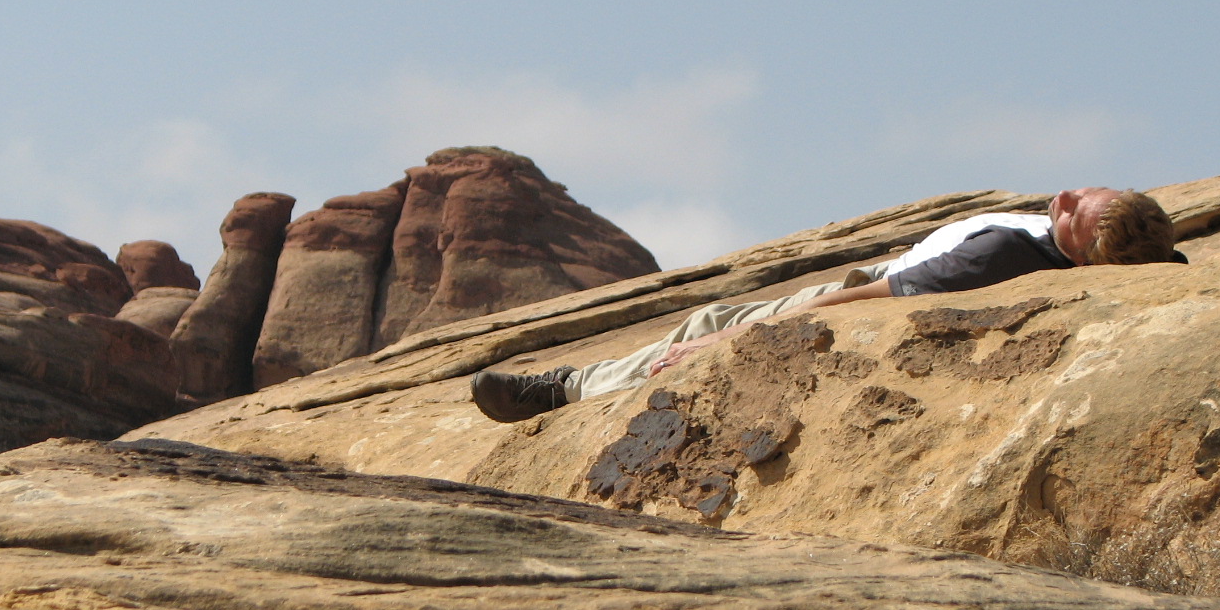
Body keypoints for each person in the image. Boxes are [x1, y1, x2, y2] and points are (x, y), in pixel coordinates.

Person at [471, 186, 1180, 423]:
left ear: (1082, 249)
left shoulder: (997, 260)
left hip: (861, 298)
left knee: (703, 331)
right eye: (1090, 197)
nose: (1068, 198)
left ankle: (561, 394)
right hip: (886, 276)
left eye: (1074, 215)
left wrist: (729, 347)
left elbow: (875, 301)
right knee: (705, 321)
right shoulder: (1098, 251)